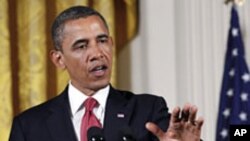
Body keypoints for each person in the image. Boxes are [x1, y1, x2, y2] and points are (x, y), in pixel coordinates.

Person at [9, 5, 203, 141]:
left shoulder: (148, 111)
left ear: (111, 44)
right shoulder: (29, 126)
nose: (97, 53)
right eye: (82, 46)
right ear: (59, 59)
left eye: (102, 41)